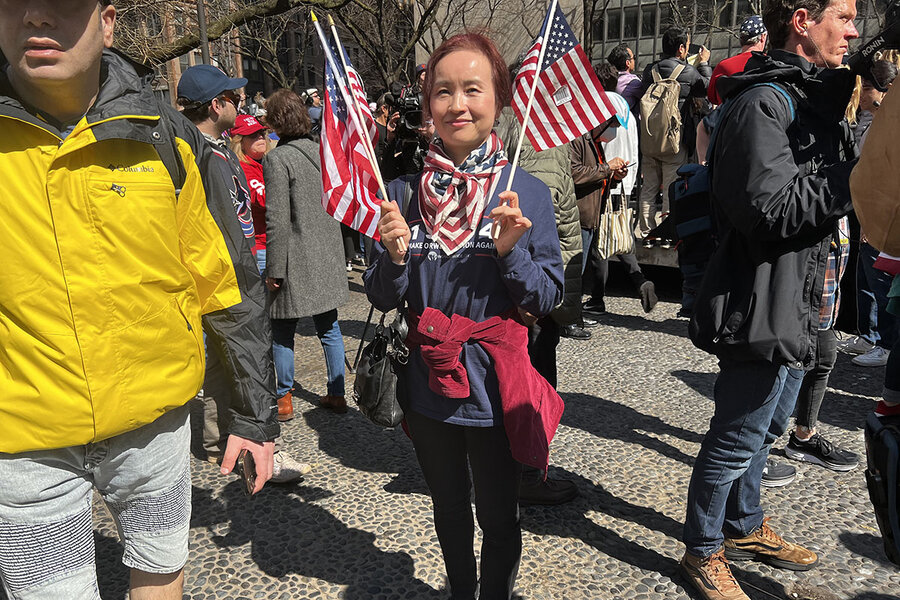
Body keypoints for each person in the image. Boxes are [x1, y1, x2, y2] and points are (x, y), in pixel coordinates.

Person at [0, 2, 278, 599]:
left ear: (107, 20)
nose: (35, 17)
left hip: (154, 423)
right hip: (22, 438)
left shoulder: (165, 134)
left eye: (64, 2)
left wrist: (251, 415)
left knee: (159, 573)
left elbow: (224, 283)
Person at [364, 33, 565, 600]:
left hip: (497, 389)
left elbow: (546, 299)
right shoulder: (401, 194)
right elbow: (381, 297)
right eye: (443, 91)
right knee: (449, 510)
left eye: (472, 89)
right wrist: (397, 257)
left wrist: (511, 252)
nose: (458, 105)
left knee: (500, 519)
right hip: (428, 383)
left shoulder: (524, 192)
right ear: (428, 104)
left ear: (497, 99)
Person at [683, 0, 860, 596]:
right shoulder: (763, 103)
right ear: (804, 18)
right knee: (737, 431)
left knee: (763, 428)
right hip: (757, 297)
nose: (855, 29)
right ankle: (703, 549)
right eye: (845, 14)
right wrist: (852, 176)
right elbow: (770, 209)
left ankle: (744, 524)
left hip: (796, 298)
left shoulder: (805, 98)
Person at [178, 72, 309, 483]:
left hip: (240, 267)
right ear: (215, 105)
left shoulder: (222, 150)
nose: (240, 100)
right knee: (238, 357)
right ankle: (242, 445)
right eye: (232, 96)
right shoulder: (197, 154)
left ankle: (228, 442)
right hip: (223, 275)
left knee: (226, 360)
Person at [263, 89, 350, 416]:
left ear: (276, 121)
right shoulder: (322, 152)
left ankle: (284, 398)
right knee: (329, 327)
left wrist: (274, 269)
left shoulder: (276, 158)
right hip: (326, 252)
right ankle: (337, 393)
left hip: (295, 259)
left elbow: (276, 218)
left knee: (282, 329)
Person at [575, 62, 658, 317]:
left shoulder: (597, 108)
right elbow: (632, 144)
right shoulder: (626, 108)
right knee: (620, 235)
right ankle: (639, 280)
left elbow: (597, 146)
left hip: (601, 179)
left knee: (600, 245)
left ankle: (597, 298)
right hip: (622, 178)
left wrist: (606, 171)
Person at [842, 60, 899, 366]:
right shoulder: (868, 119)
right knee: (865, 275)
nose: (860, 92)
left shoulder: (889, 123)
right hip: (865, 210)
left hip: (882, 214)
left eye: (866, 87)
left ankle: (886, 343)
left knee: (881, 280)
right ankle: (869, 335)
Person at [638, 27, 712, 244]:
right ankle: (667, 234)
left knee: (648, 190)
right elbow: (707, 88)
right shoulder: (687, 72)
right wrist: (705, 63)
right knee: (672, 187)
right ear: (681, 48)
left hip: (650, 140)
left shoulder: (649, 71)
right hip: (674, 141)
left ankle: (646, 234)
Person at [707, 16, 768, 105]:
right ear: (763, 37)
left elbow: (712, 98)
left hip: (728, 117)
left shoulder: (723, 66)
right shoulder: (771, 65)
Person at [607, 43, 642, 112]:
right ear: (627, 63)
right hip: (625, 120)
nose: (634, 60)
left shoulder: (607, 79)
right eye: (633, 57)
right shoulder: (632, 82)